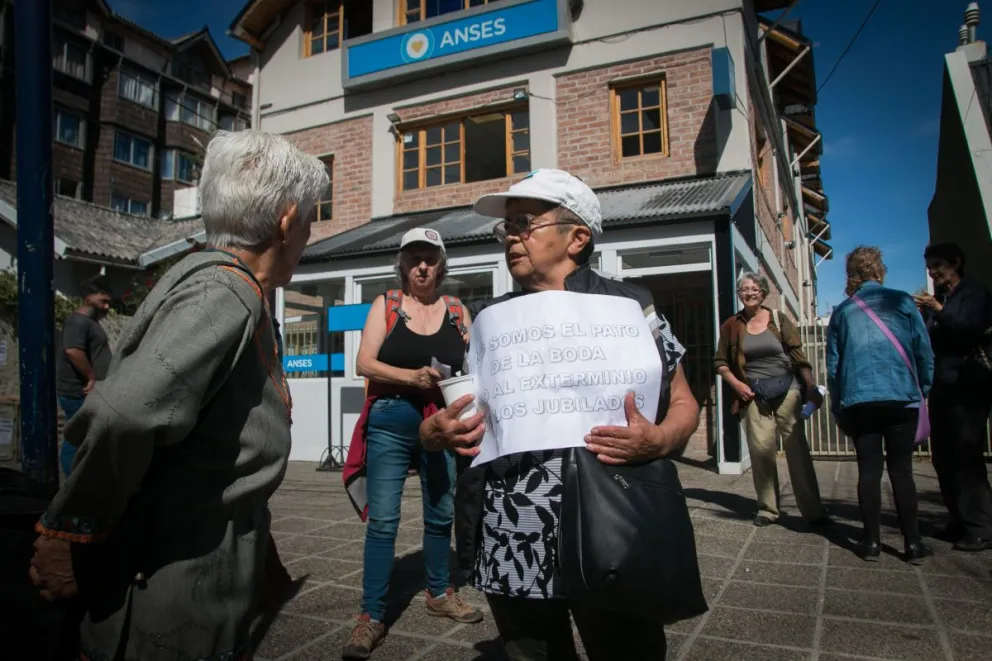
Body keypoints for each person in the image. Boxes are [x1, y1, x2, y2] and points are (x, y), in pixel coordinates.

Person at [27, 129, 329, 661]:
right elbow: (124, 414)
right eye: (309, 218)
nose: (308, 233)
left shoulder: (230, 290)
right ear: (286, 222)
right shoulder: (225, 294)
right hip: (168, 598)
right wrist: (68, 532)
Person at [419, 169, 701, 661]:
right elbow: (458, 415)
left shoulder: (632, 307)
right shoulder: (491, 321)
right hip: (512, 532)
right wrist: (433, 432)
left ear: (578, 238)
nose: (510, 236)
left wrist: (660, 440)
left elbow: (684, 402)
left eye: (524, 222)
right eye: (505, 228)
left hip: (613, 522)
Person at [342, 227, 482, 660]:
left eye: (431, 258)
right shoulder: (387, 305)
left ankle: (439, 592)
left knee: (441, 513)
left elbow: (476, 365)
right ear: (402, 265)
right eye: (414, 258)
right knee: (384, 520)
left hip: (441, 420)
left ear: (441, 266)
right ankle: (371, 615)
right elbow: (364, 362)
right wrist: (412, 377)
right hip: (391, 419)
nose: (422, 265)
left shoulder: (457, 310)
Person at [826, 247, 934, 563]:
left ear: (851, 275)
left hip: (859, 400)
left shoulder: (843, 311)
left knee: (869, 470)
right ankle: (912, 544)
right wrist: (923, 389)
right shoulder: (902, 302)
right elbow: (924, 352)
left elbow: (834, 366)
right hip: (901, 396)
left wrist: (838, 405)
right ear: (879, 271)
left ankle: (870, 541)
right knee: (902, 471)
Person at [713, 272, 830, 528]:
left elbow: (799, 357)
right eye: (744, 289)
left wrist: (810, 387)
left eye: (754, 288)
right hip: (753, 395)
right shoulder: (731, 325)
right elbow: (720, 363)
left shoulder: (778, 319)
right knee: (761, 452)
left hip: (787, 390)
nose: (749, 292)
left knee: (797, 450)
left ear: (763, 292)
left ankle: (813, 511)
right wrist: (737, 384)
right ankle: (768, 509)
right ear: (739, 294)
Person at [914, 243, 992, 552]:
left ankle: (981, 526)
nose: (933, 272)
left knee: (966, 455)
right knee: (944, 456)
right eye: (930, 266)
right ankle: (959, 519)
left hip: (968, 387)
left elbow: (969, 330)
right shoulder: (944, 299)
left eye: (938, 266)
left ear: (956, 263)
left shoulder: (973, 293)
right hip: (944, 387)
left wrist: (938, 311)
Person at [56, 277, 113, 478]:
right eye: (102, 301)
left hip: (88, 392)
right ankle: (71, 485)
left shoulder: (89, 323)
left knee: (85, 439)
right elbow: (72, 351)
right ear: (88, 297)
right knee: (75, 439)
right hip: (77, 392)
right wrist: (91, 376)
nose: (106, 306)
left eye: (108, 302)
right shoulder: (77, 321)